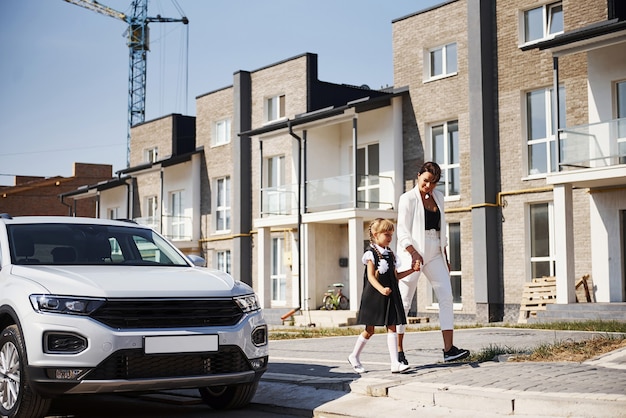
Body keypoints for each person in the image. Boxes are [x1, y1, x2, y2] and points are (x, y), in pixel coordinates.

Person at [395, 161, 469, 363]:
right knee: (403, 302)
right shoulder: (407, 199)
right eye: (426, 181)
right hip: (412, 252)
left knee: (446, 296)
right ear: (418, 175)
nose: (429, 186)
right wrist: (413, 254)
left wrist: (445, 256)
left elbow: (441, 229)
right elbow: (402, 230)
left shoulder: (439, 197)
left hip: (435, 250)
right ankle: (398, 353)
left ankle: (449, 350)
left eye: (434, 183)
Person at [348, 218, 414, 374]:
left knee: (392, 326)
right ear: (375, 234)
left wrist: (412, 270)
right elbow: (371, 277)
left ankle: (395, 364)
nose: (390, 238)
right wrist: (381, 289)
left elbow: (396, 276)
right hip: (374, 296)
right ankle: (354, 356)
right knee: (370, 330)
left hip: (390, 294)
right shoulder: (371, 254)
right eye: (386, 234)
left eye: (391, 234)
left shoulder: (391, 254)